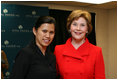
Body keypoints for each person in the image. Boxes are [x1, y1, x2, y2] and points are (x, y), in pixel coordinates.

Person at [54, 10, 105, 79]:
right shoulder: (58, 50)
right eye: (75, 24)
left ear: (87, 29)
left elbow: (100, 78)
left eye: (82, 25)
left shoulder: (96, 51)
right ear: (69, 27)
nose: (78, 28)